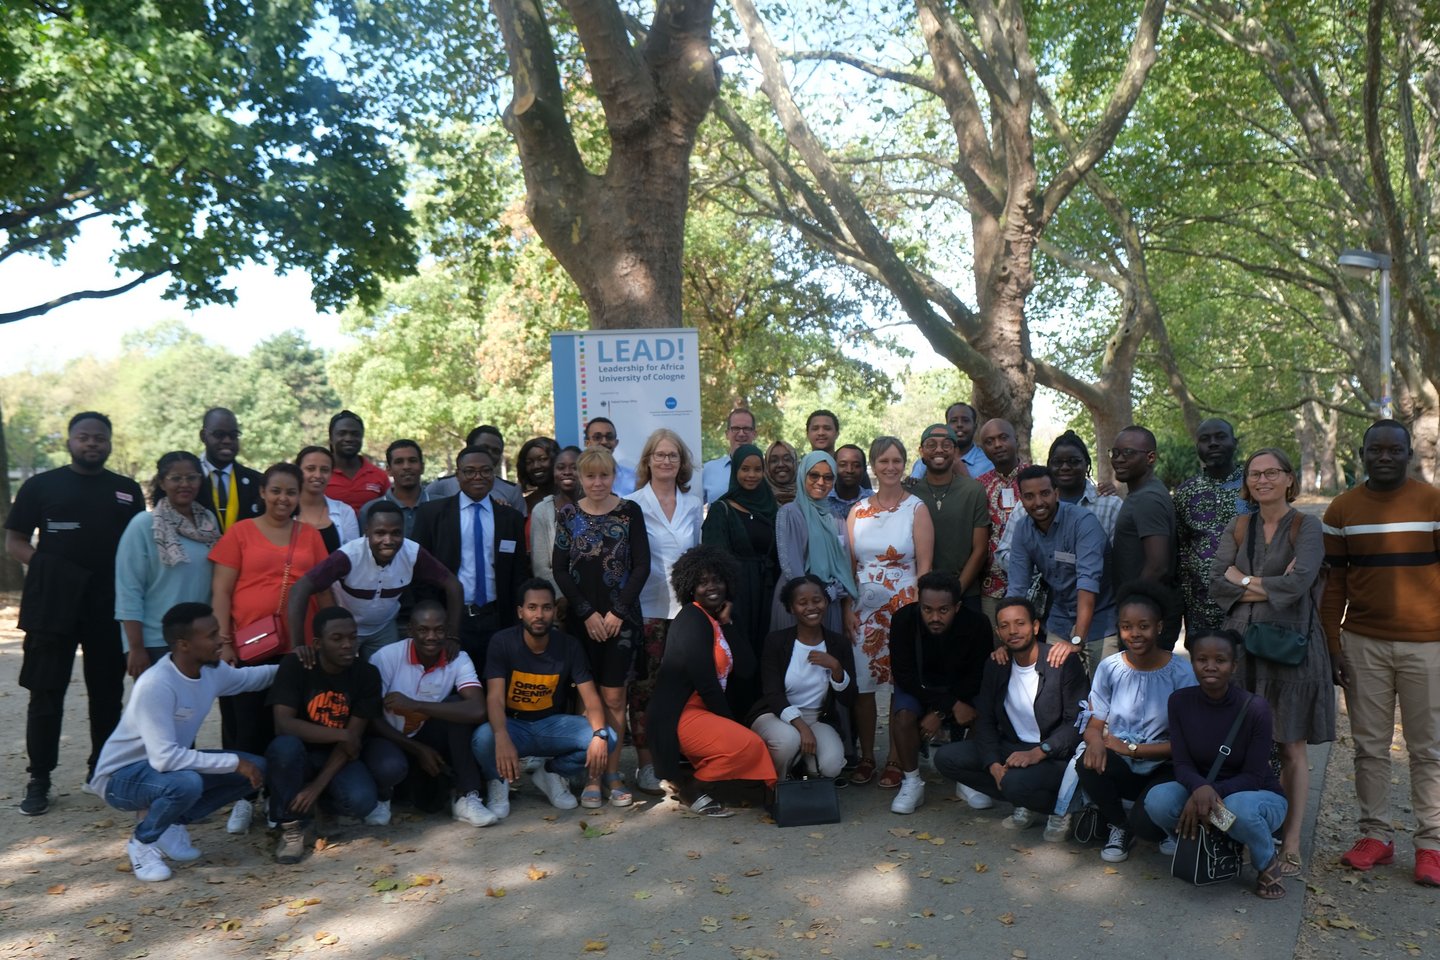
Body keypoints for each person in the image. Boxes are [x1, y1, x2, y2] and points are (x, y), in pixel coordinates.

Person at [6, 411, 145, 815]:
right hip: (53, 604)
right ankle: (40, 779)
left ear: (109, 443)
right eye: (84, 437)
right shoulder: (41, 486)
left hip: (108, 607)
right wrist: (47, 567)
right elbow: (14, 541)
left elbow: (137, 545)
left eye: (99, 438)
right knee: (46, 694)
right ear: (69, 442)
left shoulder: (126, 490)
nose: (92, 444)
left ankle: (100, 772)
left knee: (106, 695)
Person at [1321, 419, 1440, 886]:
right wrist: (1333, 643)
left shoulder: (1432, 503)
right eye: (1376, 450)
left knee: (1427, 748)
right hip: (1363, 643)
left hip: (1428, 644)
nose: (1385, 457)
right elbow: (1334, 586)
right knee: (1369, 748)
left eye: (1395, 450)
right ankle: (1376, 835)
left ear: (1408, 454)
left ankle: (1431, 844)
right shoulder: (1342, 508)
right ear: (1363, 453)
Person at [1209, 447, 1333, 877]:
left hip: (1291, 650)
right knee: (1244, 745)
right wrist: (1268, 584)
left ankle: (1292, 838)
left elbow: (1300, 586)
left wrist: (1241, 580)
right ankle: (1249, 829)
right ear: (1247, 482)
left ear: (1288, 479)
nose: (1262, 480)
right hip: (1244, 650)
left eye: (1271, 473)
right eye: (1254, 474)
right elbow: (1214, 582)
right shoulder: (1239, 525)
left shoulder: (1308, 526)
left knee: (1291, 746)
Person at [88, 603, 276, 881]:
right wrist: (234, 762)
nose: (221, 639)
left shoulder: (211, 670)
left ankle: (170, 824)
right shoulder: (157, 684)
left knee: (256, 767)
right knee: (188, 783)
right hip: (120, 779)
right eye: (211, 635)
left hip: (162, 772)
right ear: (184, 644)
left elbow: (250, 678)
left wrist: (297, 665)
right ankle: (143, 843)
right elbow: (165, 759)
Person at [209, 461, 333, 833]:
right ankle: (243, 798)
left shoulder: (310, 535)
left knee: (288, 728)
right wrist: (224, 642)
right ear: (262, 493)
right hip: (247, 647)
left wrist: (330, 638)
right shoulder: (240, 533)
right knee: (245, 726)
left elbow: (324, 590)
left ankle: (279, 800)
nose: (283, 498)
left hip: (299, 648)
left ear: (300, 495)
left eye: (290, 492)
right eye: (276, 490)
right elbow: (221, 591)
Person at [1144, 629, 1289, 899]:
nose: (1210, 666)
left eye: (1220, 660)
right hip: (1202, 792)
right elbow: (1182, 763)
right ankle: (1212, 843)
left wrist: (1209, 792)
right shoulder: (1180, 702)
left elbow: (1255, 776)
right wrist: (1200, 788)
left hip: (1256, 797)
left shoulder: (1255, 708)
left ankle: (1266, 860)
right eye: (1202, 659)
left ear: (1233, 666)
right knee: (1158, 800)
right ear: (1193, 662)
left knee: (1238, 810)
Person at [934, 596, 1087, 833]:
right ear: (998, 631)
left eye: (1020, 623)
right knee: (947, 758)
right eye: (1004, 626)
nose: (1012, 631)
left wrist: (1040, 751)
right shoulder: (997, 664)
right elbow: (985, 719)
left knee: (1014, 783)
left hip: (1054, 754)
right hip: (1014, 746)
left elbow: (1077, 723)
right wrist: (993, 764)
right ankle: (1026, 799)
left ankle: (1062, 807)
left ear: (1035, 627)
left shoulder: (1061, 661)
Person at [647, 545, 777, 817]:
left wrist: (728, 623)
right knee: (748, 745)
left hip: (700, 711)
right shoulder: (691, 619)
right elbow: (705, 681)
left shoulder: (716, 619)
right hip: (681, 714)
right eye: (702, 582)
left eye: (717, 580)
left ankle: (757, 791)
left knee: (748, 744)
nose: (711, 587)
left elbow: (747, 668)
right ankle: (692, 789)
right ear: (690, 587)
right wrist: (729, 723)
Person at [552, 447, 650, 806]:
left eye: (604, 475)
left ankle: (612, 773)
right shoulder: (569, 515)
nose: (597, 482)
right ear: (580, 477)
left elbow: (641, 566)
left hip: (621, 622)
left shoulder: (629, 513)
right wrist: (588, 613)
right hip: (582, 623)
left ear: (613, 476)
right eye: (590, 476)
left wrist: (616, 612)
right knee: (585, 700)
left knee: (614, 699)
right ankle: (591, 778)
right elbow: (560, 569)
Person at [1075, 582, 1197, 862]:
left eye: (1143, 626)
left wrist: (1131, 750)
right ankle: (1118, 825)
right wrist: (1094, 742)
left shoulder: (1181, 672)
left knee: (1148, 827)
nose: (1135, 634)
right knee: (1086, 763)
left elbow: (1186, 743)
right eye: (1126, 626)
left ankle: (1163, 824)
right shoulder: (1110, 668)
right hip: (1122, 762)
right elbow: (1094, 723)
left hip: (1164, 767)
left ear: (1159, 627)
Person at [472, 580, 617, 814]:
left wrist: (599, 735)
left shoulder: (569, 646)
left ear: (554, 611)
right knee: (483, 738)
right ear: (520, 612)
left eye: (546, 607)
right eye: (532, 607)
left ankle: (552, 772)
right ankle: (498, 782)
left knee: (608, 737)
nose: (539, 614)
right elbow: (495, 698)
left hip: (551, 725)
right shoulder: (502, 642)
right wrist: (501, 736)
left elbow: (591, 698)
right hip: (513, 726)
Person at [266, 607, 392, 864]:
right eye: (337, 639)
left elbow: (351, 740)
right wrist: (340, 733)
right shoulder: (296, 665)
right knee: (284, 747)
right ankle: (291, 827)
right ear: (317, 643)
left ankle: (323, 807)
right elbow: (283, 724)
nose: (348, 645)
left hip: (335, 756)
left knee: (362, 801)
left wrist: (316, 788)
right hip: (297, 752)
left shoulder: (366, 674)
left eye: (353, 637)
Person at [846, 436, 934, 787]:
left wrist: (922, 615)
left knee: (902, 683)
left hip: (905, 607)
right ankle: (867, 756)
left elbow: (925, 567)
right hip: (864, 610)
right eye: (884, 461)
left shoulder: (917, 509)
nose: (891, 467)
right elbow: (849, 567)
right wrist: (846, 608)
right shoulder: (857, 511)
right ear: (874, 466)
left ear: (904, 463)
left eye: (897, 460)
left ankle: (897, 759)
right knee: (864, 687)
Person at [365, 600, 490, 826]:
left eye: (439, 629)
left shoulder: (458, 658)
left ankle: (467, 796)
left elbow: (478, 709)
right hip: (389, 738)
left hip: (427, 735)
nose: (431, 636)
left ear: (448, 631)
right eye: (423, 630)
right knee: (391, 767)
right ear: (410, 630)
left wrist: (416, 705)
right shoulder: (386, 657)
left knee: (458, 706)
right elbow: (370, 719)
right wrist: (418, 749)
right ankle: (383, 795)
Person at [287, 501, 464, 660]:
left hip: (384, 628)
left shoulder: (412, 554)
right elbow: (300, 589)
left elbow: (453, 585)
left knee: (386, 681)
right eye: (380, 533)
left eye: (396, 533)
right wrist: (298, 645)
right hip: (348, 632)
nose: (388, 540)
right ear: (367, 532)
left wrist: (453, 635)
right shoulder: (349, 556)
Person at [629, 429, 704, 795]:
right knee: (645, 690)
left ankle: (679, 756)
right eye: (659, 455)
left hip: (687, 611)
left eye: (673, 455)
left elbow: (698, 555)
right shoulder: (632, 504)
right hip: (648, 609)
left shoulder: (693, 503)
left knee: (684, 690)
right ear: (647, 461)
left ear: (682, 462)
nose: (666, 461)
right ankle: (646, 764)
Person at [411, 445, 529, 673]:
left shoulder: (510, 518)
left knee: (496, 682)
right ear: (458, 475)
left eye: (485, 471)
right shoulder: (432, 514)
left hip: (498, 619)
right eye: (469, 471)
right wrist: (436, 621)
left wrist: (517, 621)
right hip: (452, 619)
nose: (478, 477)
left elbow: (519, 573)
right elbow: (420, 572)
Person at [888, 572, 994, 813]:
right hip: (919, 688)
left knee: (985, 712)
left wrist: (941, 709)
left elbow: (979, 675)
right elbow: (904, 676)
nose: (934, 617)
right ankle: (912, 781)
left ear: (957, 606)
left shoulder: (978, 624)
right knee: (903, 715)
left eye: (943, 610)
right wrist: (945, 706)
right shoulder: (903, 620)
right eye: (927, 609)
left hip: (962, 689)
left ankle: (968, 780)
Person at [116, 451, 221, 677]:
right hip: (156, 642)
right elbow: (129, 591)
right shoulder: (144, 525)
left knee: (192, 710)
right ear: (162, 482)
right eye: (176, 478)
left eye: (192, 477)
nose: (185, 484)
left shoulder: (209, 523)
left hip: (197, 641)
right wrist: (135, 647)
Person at [1003, 465, 1116, 670]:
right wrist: (1008, 639)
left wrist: (1077, 640)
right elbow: (1017, 589)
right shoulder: (1022, 529)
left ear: (1056, 493)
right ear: (1021, 500)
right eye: (1029, 496)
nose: (1038, 502)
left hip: (1101, 621)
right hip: (1060, 620)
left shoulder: (1083, 522)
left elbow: (1087, 584)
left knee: (1102, 694)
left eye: (1044, 493)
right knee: (1053, 689)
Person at [748, 576, 857, 780]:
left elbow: (849, 699)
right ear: (791, 608)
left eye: (817, 600)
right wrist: (802, 727)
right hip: (775, 715)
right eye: (802, 602)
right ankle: (776, 785)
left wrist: (836, 668)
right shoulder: (776, 641)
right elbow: (772, 694)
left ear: (826, 602)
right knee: (788, 741)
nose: (811, 607)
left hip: (817, 718)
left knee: (831, 767)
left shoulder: (838, 643)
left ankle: (801, 770)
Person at [701, 442, 778, 712]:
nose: (751, 475)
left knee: (764, 655)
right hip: (737, 597)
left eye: (758, 469)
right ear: (735, 471)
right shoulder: (723, 510)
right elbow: (713, 559)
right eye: (745, 469)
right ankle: (735, 724)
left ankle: (763, 720)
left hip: (767, 595)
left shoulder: (771, 507)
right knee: (739, 658)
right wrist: (725, 600)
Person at [1109, 425, 1181, 650]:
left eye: (1128, 453)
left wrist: (1132, 613)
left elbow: (1158, 565)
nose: (1119, 459)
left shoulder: (1147, 498)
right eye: (1115, 453)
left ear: (1150, 457)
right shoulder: (1142, 493)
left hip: (1145, 619)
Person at [770, 451, 857, 636]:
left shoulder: (836, 518)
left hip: (829, 603)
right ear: (803, 475)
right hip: (797, 604)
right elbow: (791, 568)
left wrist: (832, 593)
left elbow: (844, 566)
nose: (820, 482)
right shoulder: (790, 513)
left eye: (827, 477)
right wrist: (820, 596)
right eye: (814, 475)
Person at [1175, 419, 1249, 634]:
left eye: (1220, 437)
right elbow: (1181, 548)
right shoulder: (1185, 492)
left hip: (1251, 605)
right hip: (1201, 610)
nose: (1213, 444)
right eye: (1205, 439)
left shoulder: (1256, 485)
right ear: (1197, 447)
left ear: (1234, 442)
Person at [908, 424, 990, 613]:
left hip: (965, 593)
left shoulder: (973, 490)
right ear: (921, 451)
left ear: (956, 452)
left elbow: (980, 549)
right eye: (931, 444)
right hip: (918, 593)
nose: (939, 450)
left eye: (946, 445)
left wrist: (955, 592)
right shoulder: (909, 493)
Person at [975, 419, 1029, 624]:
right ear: (983, 449)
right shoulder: (978, 487)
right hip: (991, 586)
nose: (997, 445)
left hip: (1034, 583)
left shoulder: (1036, 478)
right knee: (996, 648)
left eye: (1003, 438)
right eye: (990, 441)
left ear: (1016, 440)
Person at [426, 426, 528, 515]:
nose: (489, 454)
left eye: (496, 451)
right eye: (484, 448)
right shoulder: (441, 486)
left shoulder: (512, 491)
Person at [1041, 430, 1122, 539]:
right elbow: (1010, 551)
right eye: (1057, 462)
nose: (1065, 467)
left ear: (1087, 464)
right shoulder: (1031, 505)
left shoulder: (1111, 506)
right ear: (1049, 465)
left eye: (1074, 461)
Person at [195, 407, 264, 532]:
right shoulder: (188, 479)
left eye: (233, 435)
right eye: (219, 435)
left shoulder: (257, 481)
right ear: (203, 436)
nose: (227, 441)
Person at [358, 440, 433, 538]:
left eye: (412, 460)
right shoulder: (370, 510)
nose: (406, 466)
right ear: (389, 470)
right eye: (399, 462)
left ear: (422, 467)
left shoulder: (442, 505)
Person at [530, 446, 580, 592]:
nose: (567, 472)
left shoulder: (597, 507)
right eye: (560, 467)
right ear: (553, 473)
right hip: (559, 602)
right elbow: (541, 568)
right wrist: (565, 598)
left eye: (574, 467)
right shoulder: (541, 511)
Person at [296, 445, 360, 552]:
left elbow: (353, 556)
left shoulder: (344, 511)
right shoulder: (285, 509)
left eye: (324, 470)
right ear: (297, 471)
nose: (318, 475)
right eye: (310, 469)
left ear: (331, 474)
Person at [325, 410, 390, 514]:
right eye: (342, 433)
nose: (349, 438)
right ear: (331, 439)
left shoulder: (379, 476)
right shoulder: (321, 473)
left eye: (355, 434)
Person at [910, 402, 994, 481]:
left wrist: (963, 475)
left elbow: (989, 495)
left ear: (975, 427)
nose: (959, 425)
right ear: (946, 427)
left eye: (965, 420)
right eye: (954, 421)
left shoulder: (988, 463)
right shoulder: (926, 460)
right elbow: (912, 489)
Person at [702, 408, 759, 504]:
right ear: (727, 434)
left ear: (754, 434)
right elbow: (694, 508)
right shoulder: (709, 469)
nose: (741, 434)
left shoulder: (765, 470)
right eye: (736, 428)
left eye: (746, 429)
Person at [584, 417, 637, 496]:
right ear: (587, 443)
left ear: (616, 443)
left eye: (609, 437)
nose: (604, 442)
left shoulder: (633, 478)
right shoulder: (578, 476)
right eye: (597, 437)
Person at [828, 444, 872, 522]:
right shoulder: (823, 499)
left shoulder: (872, 500)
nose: (849, 470)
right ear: (832, 467)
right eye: (843, 465)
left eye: (856, 465)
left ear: (864, 469)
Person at [516, 436, 557, 510]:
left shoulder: (574, 498)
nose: (536, 466)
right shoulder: (524, 504)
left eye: (542, 459)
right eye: (529, 462)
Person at [765, 440, 799, 506]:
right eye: (774, 461)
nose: (781, 465)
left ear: (795, 463)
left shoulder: (809, 495)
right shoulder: (759, 496)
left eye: (787, 459)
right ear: (767, 466)